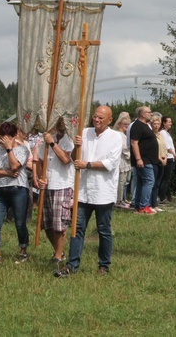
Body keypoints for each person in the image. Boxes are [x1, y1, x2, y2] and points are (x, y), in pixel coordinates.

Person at [55, 106, 122, 277]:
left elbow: (111, 163)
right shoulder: (84, 133)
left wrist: (88, 164)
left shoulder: (115, 137)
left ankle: (104, 265)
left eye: (101, 118)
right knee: (77, 229)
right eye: (95, 116)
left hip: (103, 192)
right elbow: (73, 159)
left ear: (109, 120)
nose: (97, 120)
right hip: (83, 190)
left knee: (103, 229)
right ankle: (72, 265)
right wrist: (77, 147)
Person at [0, 122, 31, 264]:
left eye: (8, 137)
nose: (4, 141)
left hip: (18, 189)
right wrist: (7, 173)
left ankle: (23, 251)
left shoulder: (23, 150)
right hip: (0, 190)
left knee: (19, 223)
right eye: (2, 137)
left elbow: (15, 165)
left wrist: (9, 149)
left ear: (14, 136)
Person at [34, 118, 74, 264]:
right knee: (47, 223)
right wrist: (40, 177)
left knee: (59, 225)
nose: (61, 125)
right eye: (59, 122)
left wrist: (52, 143)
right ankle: (59, 251)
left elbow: (65, 159)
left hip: (62, 184)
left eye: (63, 122)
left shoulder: (69, 140)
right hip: (48, 185)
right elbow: (39, 161)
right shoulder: (48, 139)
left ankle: (58, 256)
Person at [129, 106, 157, 215]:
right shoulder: (137, 125)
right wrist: (138, 159)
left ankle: (138, 205)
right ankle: (144, 205)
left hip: (148, 159)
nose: (151, 114)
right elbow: (134, 143)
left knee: (142, 182)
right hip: (143, 159)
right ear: (142, 114)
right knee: (149, 181)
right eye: (149, 112)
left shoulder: (146, 125)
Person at [113, 112, 131, 208]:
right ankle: (118, 200)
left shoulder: (123, 134)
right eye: (125, 124)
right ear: (119, 124)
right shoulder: (119, 134)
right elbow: (125, 148)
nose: (126, 126)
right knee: (121, 181)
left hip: (124, 161)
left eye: (128, 125)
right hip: (121, 160)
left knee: (123, 181)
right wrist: (131, 155)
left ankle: (121, 199)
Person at [150, 114, 167, 212]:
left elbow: (164, 147)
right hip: (155, 161)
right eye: (154, 124)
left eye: (158, 124)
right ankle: (150, 203)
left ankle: (155, 204)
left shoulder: (160, 135)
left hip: (163, 160)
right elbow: (153, 149)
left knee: (158, 183)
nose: (156, 125)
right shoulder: (151, 135)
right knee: (153, 182)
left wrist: (164, 158)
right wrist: (160, 158)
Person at [158, 115, 176, 204]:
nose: (170, 123)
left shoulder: (167, 133)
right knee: (164, 178)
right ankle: (162, 197)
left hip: (170, 157)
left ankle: (166, 195)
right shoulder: (162, 133)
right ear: (164, 123)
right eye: (169, 122)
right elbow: (166, 145)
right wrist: (174, 154)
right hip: (167, 157)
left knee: (167, 178)